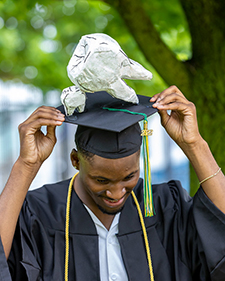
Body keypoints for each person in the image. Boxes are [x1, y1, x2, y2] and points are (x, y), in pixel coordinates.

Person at [0, 85, 225, 281]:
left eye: (129, 177)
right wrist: (26, 165)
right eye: (101, 180)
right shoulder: (40, 212)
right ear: (75, 160)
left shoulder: (166, 205)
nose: (116, 192)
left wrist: (195, 145)